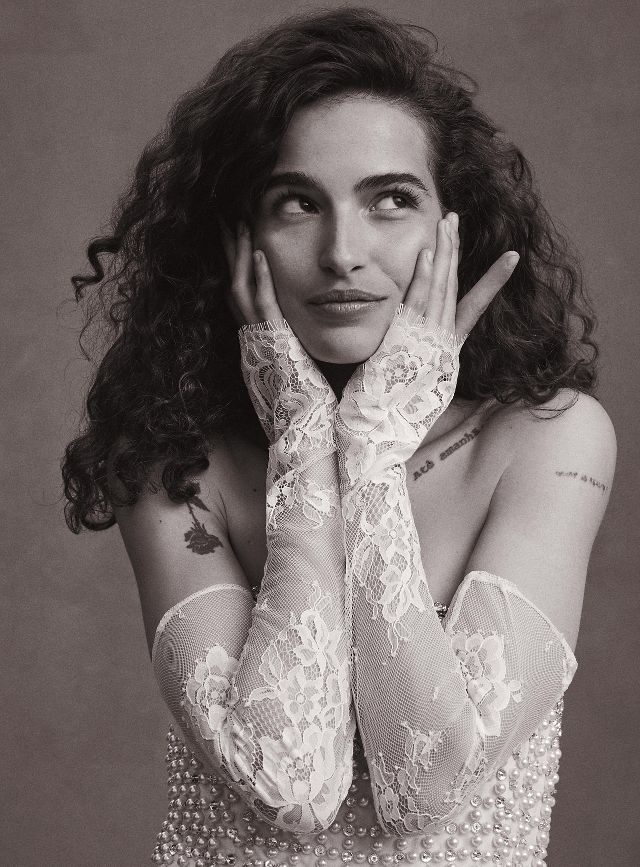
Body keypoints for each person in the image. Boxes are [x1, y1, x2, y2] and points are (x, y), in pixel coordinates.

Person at [62, 7, 616, 866]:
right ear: (236, 237)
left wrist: (374, 442)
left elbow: (424, 789)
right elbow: (291, 784)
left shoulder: (549, 439)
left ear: (453, 226)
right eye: (297, 203)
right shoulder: (170, 462)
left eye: (391, 200)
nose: (342, 252)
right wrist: (308, 444)